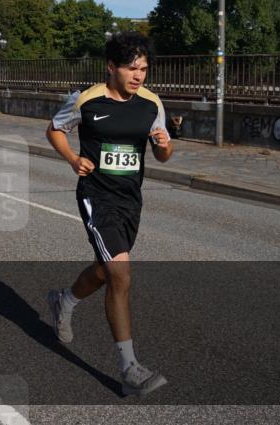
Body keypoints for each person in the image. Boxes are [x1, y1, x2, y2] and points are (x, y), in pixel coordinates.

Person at [45, 32, 174, 398]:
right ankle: (129, 367)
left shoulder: (151, 104)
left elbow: (163, 153)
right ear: (111, 68)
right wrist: (73, 158)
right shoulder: (85, 100)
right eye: (132, 69)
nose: (139, 76)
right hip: (96, 196)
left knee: (106, 269)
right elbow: (54, 130)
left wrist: (165, 147)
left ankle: (64, 301)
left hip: (130, 199)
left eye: (144, 69)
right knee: (121, 273)